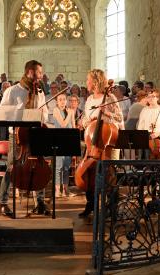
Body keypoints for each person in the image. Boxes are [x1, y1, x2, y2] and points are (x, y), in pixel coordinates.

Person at [0, 60, 51, 218]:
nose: (41, 75)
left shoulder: (39, 92)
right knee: (11, 167)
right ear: (29, 72)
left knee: (37, 164)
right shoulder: (13, 90)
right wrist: (19, 115)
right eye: (38, 72)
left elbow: (46, 112)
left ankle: (39, 201)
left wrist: (41, 117)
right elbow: (3, 112)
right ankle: (3, 202)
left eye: (41, 73)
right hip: (18, 135)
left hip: (36, 133)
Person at [78, 69, 123, 218]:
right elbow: (86, 117)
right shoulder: (90, 99)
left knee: (110, 176)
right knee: (88, 174)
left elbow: (119, 120)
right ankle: (90, 203)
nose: (86, 83)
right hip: (92, 143)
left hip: (107, 143)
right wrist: (85, 122)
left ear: (95, 81)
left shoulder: (110, 98)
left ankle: (112, 207)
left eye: (88, 80)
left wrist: (106, 113)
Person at [136, 88, 160, 158]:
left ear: (157, 98)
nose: (150, 98)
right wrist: (143, 136)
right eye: (148, 97)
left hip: (159, 138)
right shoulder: (144, 110)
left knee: (157, 158)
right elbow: (140, 126)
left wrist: (158, 133)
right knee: (145, 157)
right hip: (146, 137)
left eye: (153, 96)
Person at [51, 93, 75, 198]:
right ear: (57, 101)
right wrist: (70, 113)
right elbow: (63, 124)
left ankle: (66, 190)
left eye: (64, 99)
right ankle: (57, 190)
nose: (62, 101)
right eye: (60, 99)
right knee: (58, 167)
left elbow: (73, 127)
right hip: (59, 141)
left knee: (66, 167)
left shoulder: (70, 111)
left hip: (68, 141)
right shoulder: (56, 110)